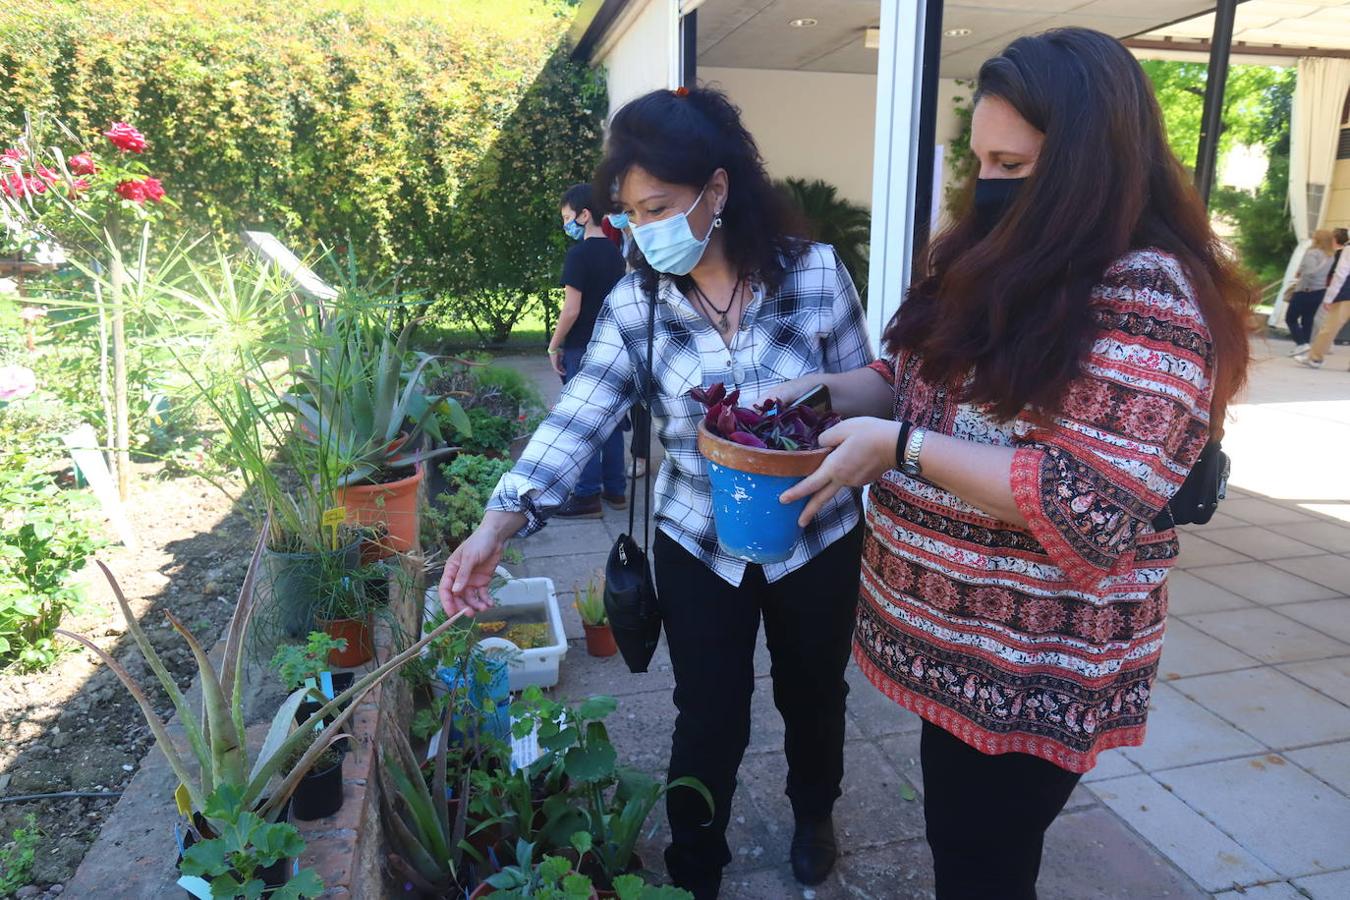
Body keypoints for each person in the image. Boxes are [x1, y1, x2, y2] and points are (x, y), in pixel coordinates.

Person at [771, 28, 1253, 899]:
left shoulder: (1148, 297)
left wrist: (904, 450)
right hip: (957, 650)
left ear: (1088, 167)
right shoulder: (1000, 256)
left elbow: (1084, 501)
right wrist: (836, 392)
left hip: (1031, 663)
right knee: (964, 844)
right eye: (983, 163)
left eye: (1014, 166)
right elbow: (921, 376)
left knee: (981, 866)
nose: (989, 187)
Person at [439, 86, 873, 898]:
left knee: (815, 694)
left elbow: (874, 391)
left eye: (660, 206)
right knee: (709, 715)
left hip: (815, 529)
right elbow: (583, 411)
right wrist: (497, 523)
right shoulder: (639, 301)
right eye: (631, 212)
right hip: (697, 539)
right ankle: (692, 867)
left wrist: (822, 397)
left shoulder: (813, 273)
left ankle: (815, 814)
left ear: (717, 189)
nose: (645, 229)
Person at [548, 183, 629, 516]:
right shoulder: (614, 252)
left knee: (582, 421)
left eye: (568, 217)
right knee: (609, 417)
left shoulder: (578, 255)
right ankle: (616, 489)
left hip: (581, 347)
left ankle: (586, 495)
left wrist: (554, 346)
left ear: (584, 215)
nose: (566, 224)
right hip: (611, 346)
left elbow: (571, 309)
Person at [1298, 224, 1350, 369]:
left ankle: (1315, 358)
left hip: (1346, 294)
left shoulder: (1348, 249)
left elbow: (1341, 274)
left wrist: (1329, 297)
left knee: (1330, 327)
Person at [1285, 229, 1334, 355]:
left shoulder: (1312, 253)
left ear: (1317, 239)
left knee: (1290, 318)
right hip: (1320, 291)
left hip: (1305, 290)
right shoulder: (1330, 255)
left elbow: (1309, 273)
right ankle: (1305, 345)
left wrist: (1302, 284)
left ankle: (1301, 343)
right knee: (1308, 318)